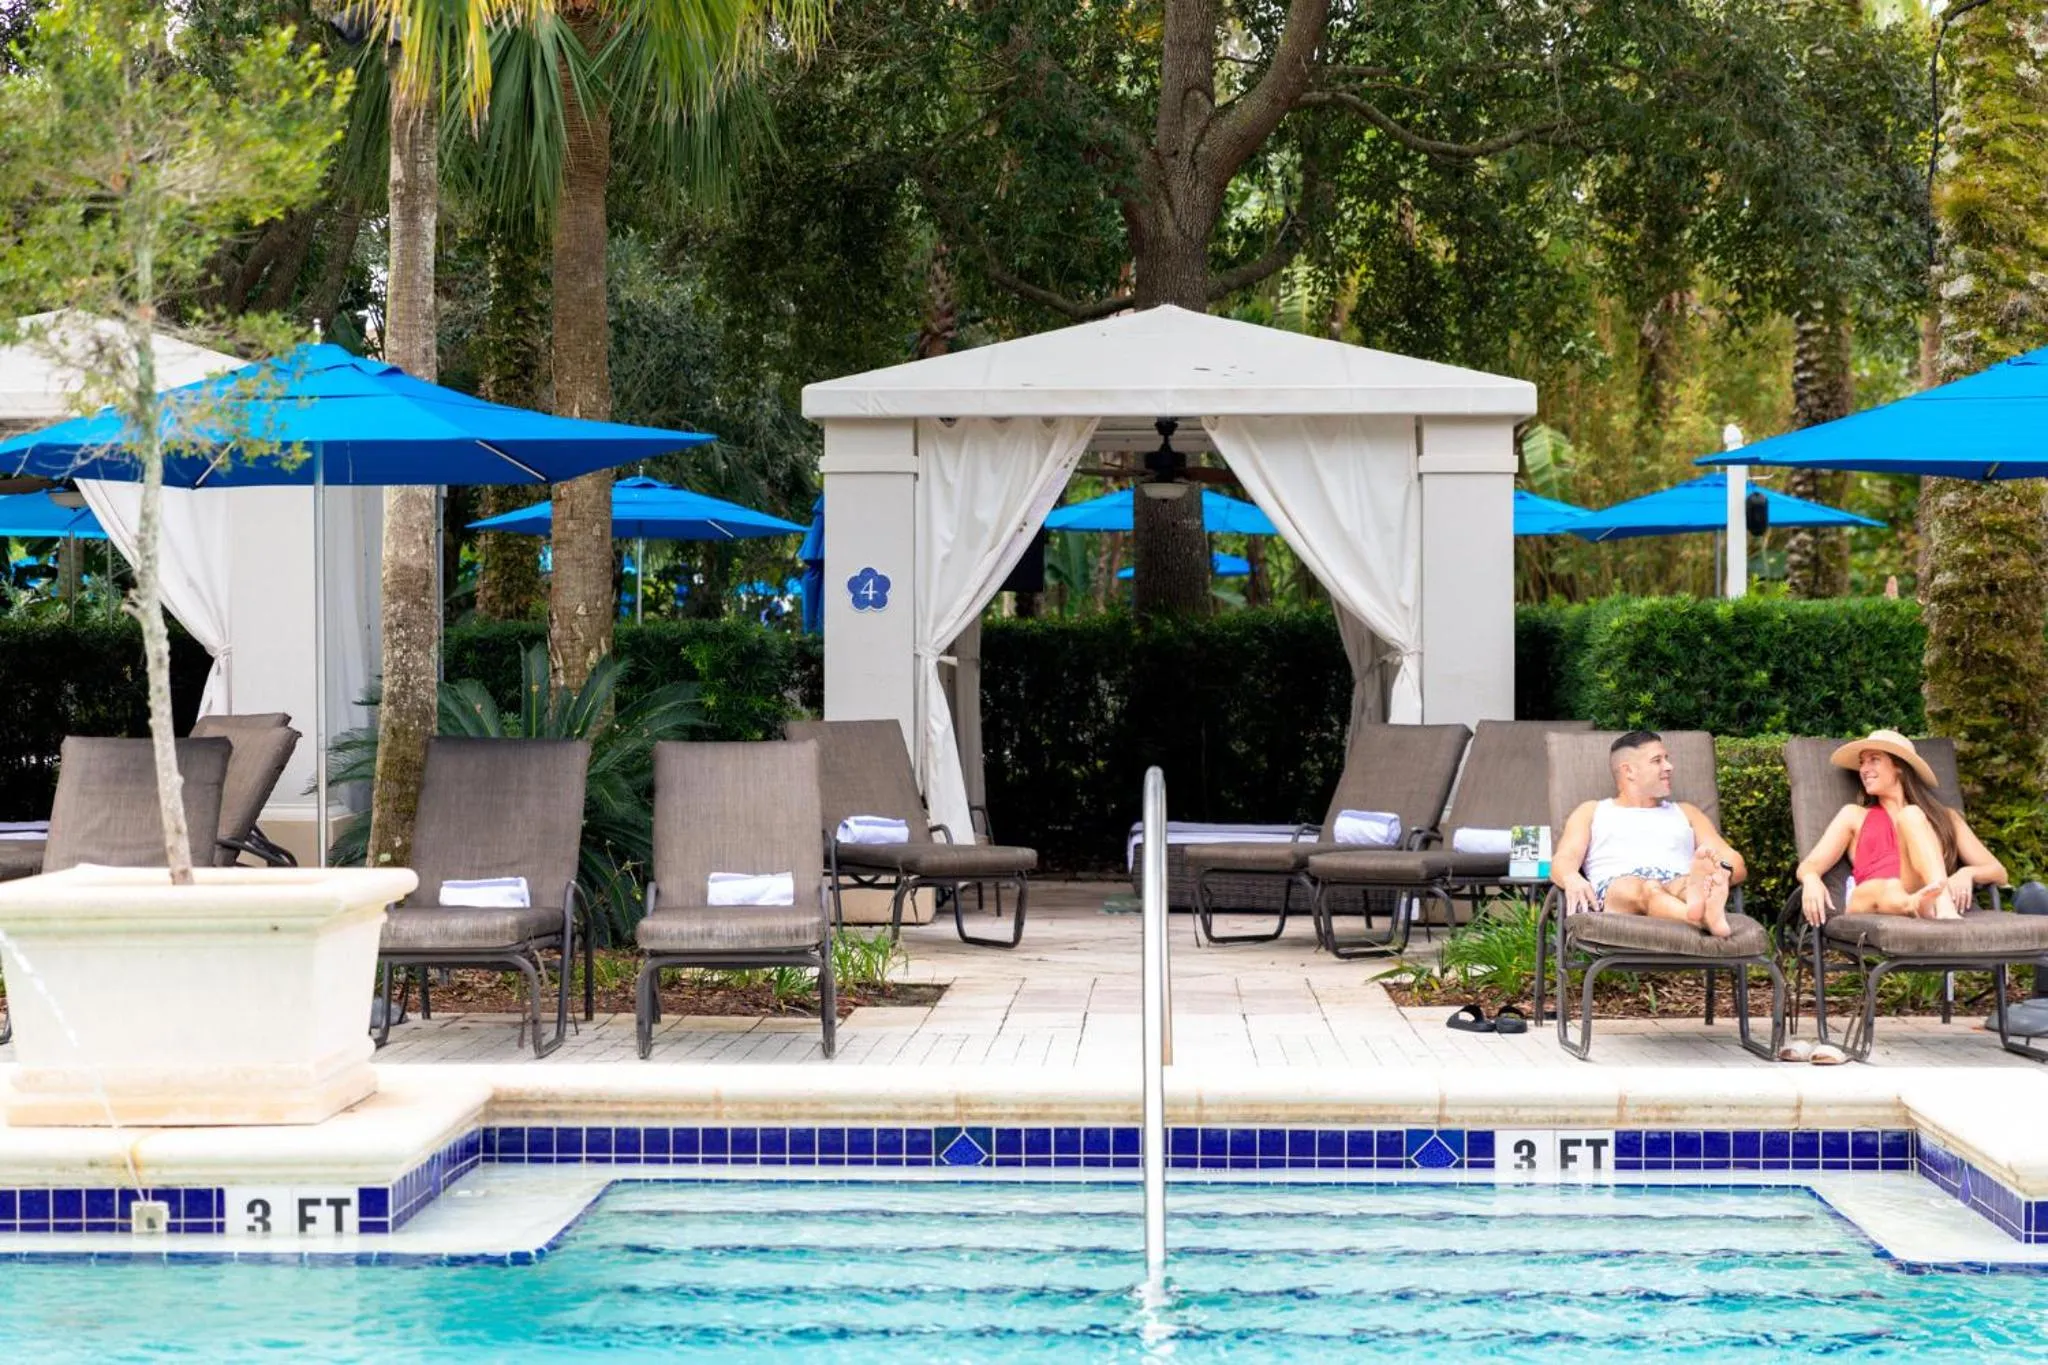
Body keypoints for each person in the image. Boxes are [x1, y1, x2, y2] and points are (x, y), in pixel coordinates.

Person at [1794, 729, 2006, 926]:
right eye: (1862, 763)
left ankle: (1934, 903)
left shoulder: (1945, 818)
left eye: (1874, 760)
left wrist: (1967, 873)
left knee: (1911, 815)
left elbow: (1998, 872)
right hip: (1871, 900)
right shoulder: (1854, 816)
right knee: (1883, 888)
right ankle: (1920, 905)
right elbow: (1810, 864)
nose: (1864, 769)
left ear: (1899, 767)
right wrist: (1811, 878)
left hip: (1921, 890)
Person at [1551, 730, 1746, 938]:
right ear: (1629, 771)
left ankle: (1701, 900)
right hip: (1619, 890)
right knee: (1649, 889)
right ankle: (1706, 918)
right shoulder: (1592, 811)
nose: (1669, 767)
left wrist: (1719, 875)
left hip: (1677, 883)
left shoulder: (1687, 813)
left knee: (1687, 885)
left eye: (1667, 759)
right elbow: (1564, 858)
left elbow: (1735, 862)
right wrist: (1571, 876)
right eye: (1657, 761)